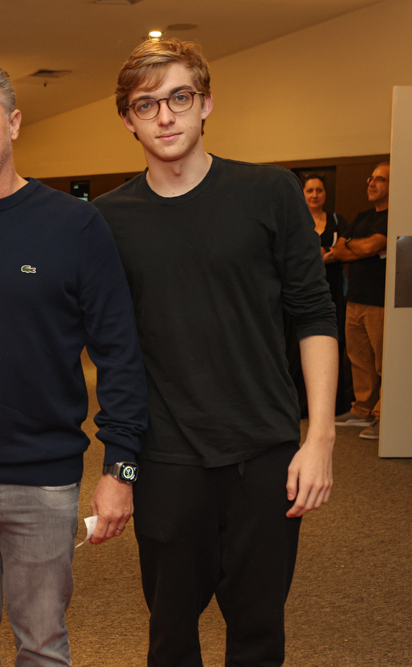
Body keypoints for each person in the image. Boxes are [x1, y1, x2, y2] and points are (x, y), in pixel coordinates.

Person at [91, 40, 336, 666]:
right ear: (128, 120)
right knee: (170, 636)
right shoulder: (107, 220)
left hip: (265, 453)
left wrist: (320, 438)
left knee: (258, 634)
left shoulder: (270, 192)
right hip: (167, 459)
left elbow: (314, 315)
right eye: (146, 104)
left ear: (205, 104)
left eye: (180, 97)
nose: (165, 116)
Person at [0, 58, 148, 666]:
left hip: (42, 480)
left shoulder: (75, 225)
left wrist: (121, 469)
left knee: (42, 645)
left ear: (13, 123)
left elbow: (119, 353)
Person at [328, 162, 390, 440]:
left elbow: (371, 246)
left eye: (380, 179)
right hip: (355, 299)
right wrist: (363, 248)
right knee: (359, 359)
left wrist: (360, 246)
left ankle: (383, 415)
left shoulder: (396, 215)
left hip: (381, 302)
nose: (372, 183)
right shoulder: (364, 216)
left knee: (384, 362)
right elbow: (339, 250)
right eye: (371, 178)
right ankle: (362, 409)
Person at [285, 174, 351, 416]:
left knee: (331, 343)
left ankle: (331, 407)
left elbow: (344, 250)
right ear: (302, 194)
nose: (314, 195)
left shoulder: (337, 220)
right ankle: (297, 406)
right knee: (295, 348)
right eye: (310, 190)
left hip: (332, 291)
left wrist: (323, 253)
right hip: (298, 291)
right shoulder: (293, 220)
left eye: (319, 190)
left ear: (325, 194)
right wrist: (325, 253)